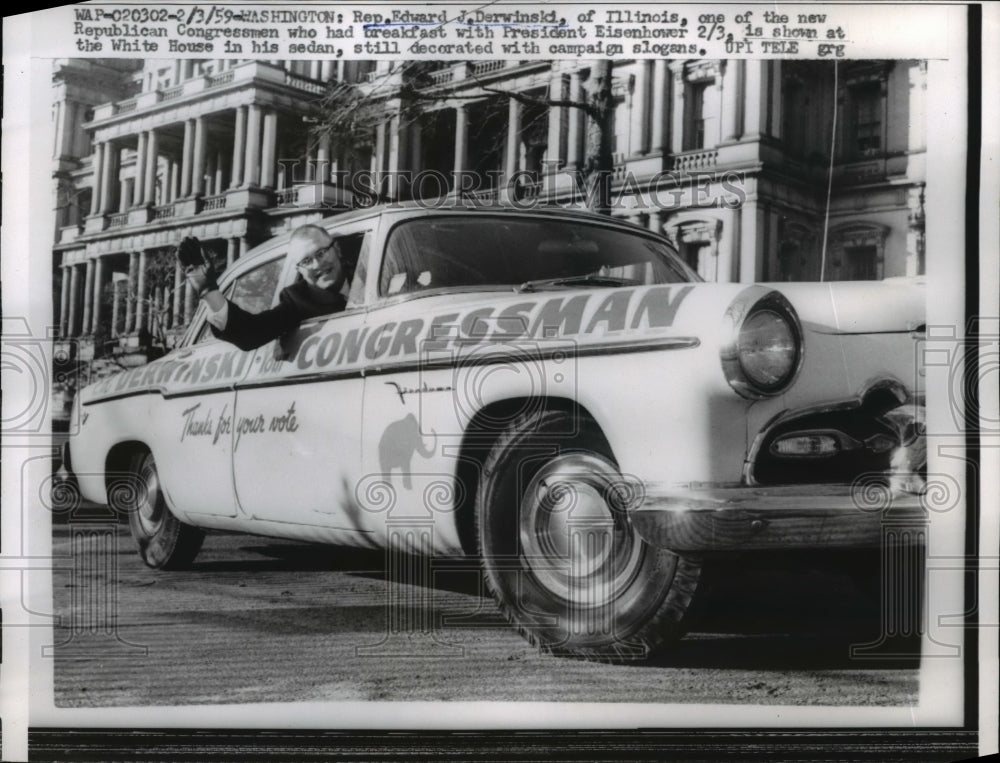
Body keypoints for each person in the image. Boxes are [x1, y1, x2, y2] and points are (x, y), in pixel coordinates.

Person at [181, 225, 348, 351]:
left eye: (321, 253)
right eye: (306, 261)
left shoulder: (370, 267)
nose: (317, 264)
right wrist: (208, 290)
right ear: (299, 271)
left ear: (338, 249)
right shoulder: (298, 300)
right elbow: (251, 332)